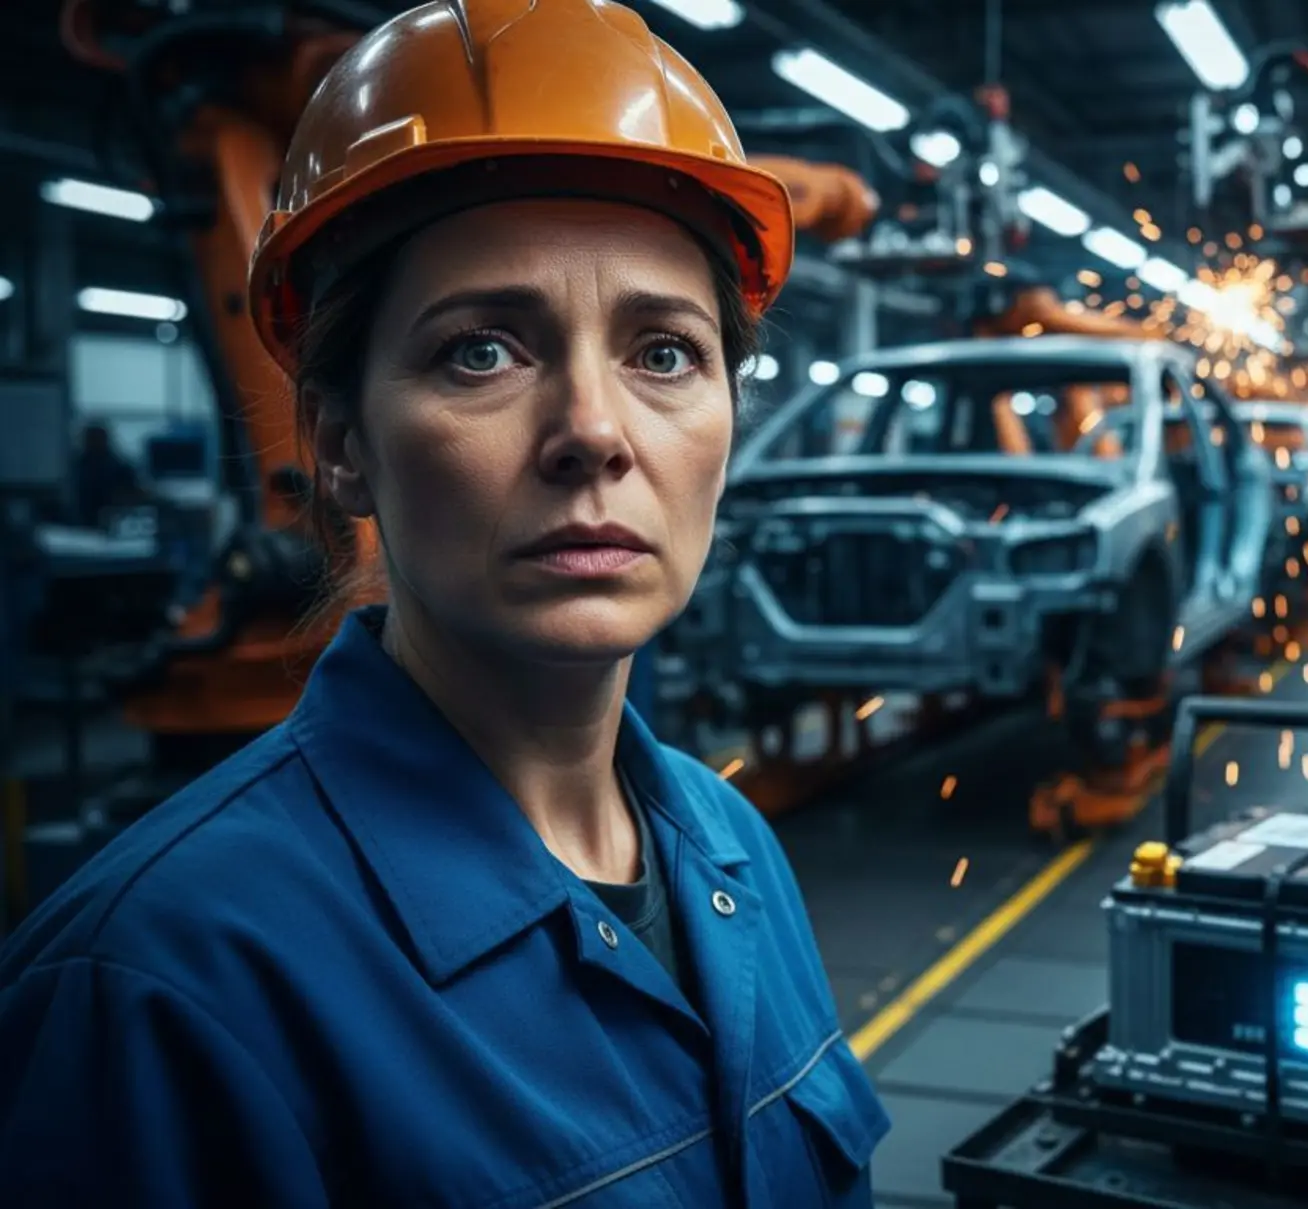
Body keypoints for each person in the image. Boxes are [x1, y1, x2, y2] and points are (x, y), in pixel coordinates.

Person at [0, 2, 888, 1205]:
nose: (593, 433)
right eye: (483, 350)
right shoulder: (161, 990)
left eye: (665, 353)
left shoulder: (736, 858)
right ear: (339, 442)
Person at [73, 421, 143, 523]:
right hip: (83, 519)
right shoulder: (76, 467)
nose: (95, 442)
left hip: (114, 518)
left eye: (97, 438)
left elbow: (132, 495)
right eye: (92, 438)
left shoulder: (121, 467)